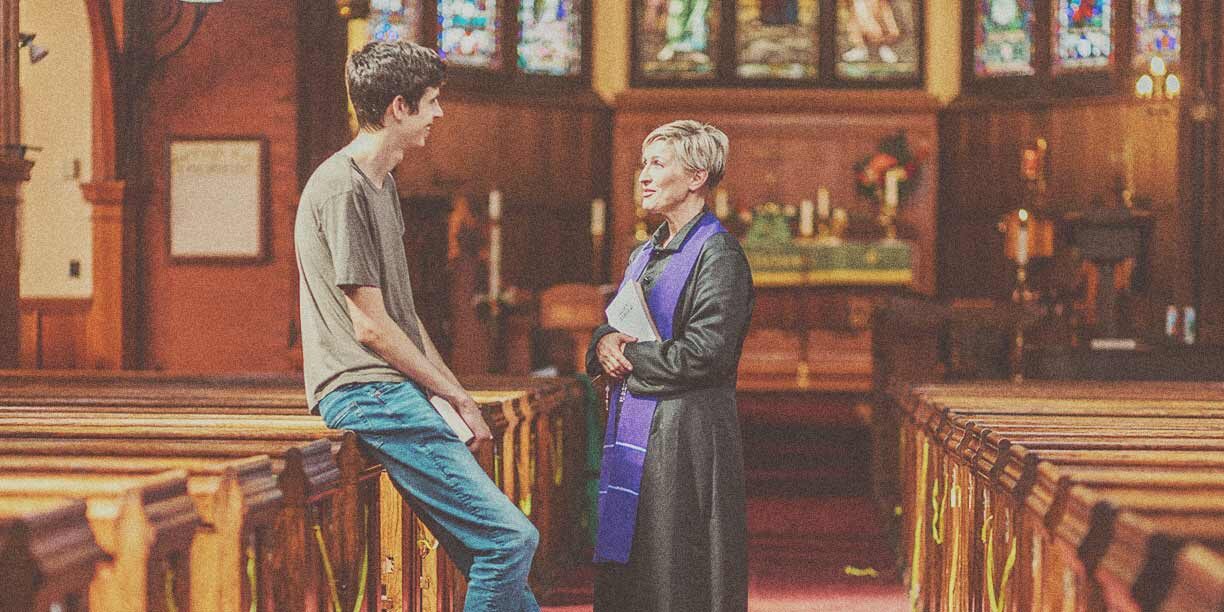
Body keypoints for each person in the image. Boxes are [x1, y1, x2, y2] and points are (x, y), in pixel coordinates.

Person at [294, 40, 539, 612]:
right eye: (432, 102)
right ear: (399, 108)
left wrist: (458, 399)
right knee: (510, 540)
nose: (440, 113)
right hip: (368, 391)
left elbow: (406, 319)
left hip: (393, 390)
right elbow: (371, 328)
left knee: (494, 553)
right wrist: (451, 394)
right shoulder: (342, 186)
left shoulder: (381, 184)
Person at [588, 120, 753, 612]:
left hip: (687, 440)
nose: (643, 176)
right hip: (642, 430)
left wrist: (627, 355)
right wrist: (604, 343)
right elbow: (614, 324)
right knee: (636, 568)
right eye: (644, 164)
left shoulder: (718, 255)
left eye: (658, 164)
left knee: (675, 570)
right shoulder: (644, 253)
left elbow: (707, 354)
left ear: (697, 176)